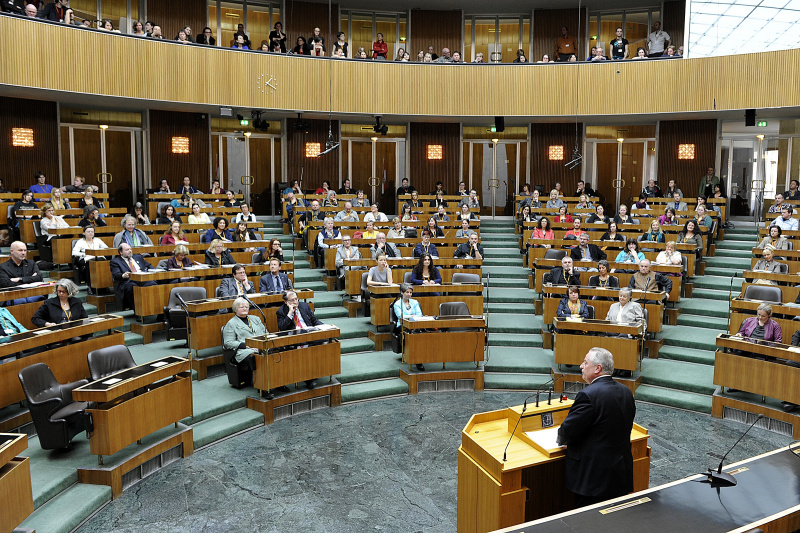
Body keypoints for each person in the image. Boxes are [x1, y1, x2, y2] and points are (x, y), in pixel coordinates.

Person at [556, 348, 635, 507]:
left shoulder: (588, 395)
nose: (581, 366)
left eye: (585, 362)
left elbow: (568, 430)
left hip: (593, 478)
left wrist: (560, 439)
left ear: (598, 368)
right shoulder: (626, 392)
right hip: (619, 473)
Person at [222, 298, 285, 395]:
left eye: (246, 306)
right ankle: (263, 389)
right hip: (244, 351)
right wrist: (247, 345)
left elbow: (266, 333)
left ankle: (279, 383)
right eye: (241, 307)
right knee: (260, 359)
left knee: (278, 353)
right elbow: (228, 343)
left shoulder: (255, 319)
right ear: (235, 309)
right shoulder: (231, 323)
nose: (245, 308)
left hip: (261, 347)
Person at [109, 243, 156, 309]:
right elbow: (116, 275)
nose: (130, 251)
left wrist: (151, 271)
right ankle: (137, 311)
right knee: (132, 288)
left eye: (130, 249)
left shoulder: (138, 257)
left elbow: (149, 265)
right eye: (127, 250)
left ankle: (152, 308)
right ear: (121, 252)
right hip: (128, 281)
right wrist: (123, 275)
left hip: (142, 279)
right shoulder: (115, 261)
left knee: (153, 284)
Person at [72, 226, 108, 291]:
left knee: (104, 264)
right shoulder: (80, 241)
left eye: (92, 231)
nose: (90, 233)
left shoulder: (97, 240)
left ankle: (104, 285)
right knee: (90, 264)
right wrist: (83, 254)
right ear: (84, 233)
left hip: (98, 258)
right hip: (85, 259)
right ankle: (90, 286)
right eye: (88, 232)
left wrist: (99, 251)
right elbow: (74, 252)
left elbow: (106, 248)